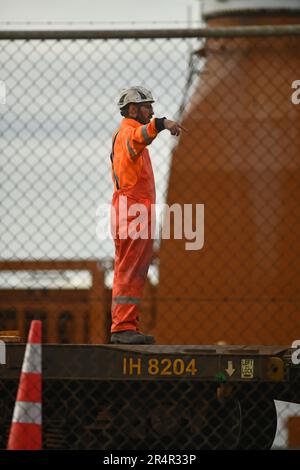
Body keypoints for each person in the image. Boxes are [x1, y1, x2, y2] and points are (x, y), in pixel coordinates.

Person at [110, 86, 183, 344]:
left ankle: (125, 326)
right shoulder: (129, 133)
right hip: (133, 211)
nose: (151, 111)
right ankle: (123, 328)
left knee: (129, 269)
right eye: (146, 107)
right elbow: (144, 134)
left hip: (130, 209)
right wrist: (162, 123)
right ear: (132, 109)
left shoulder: (123, 136)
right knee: (132, 269)